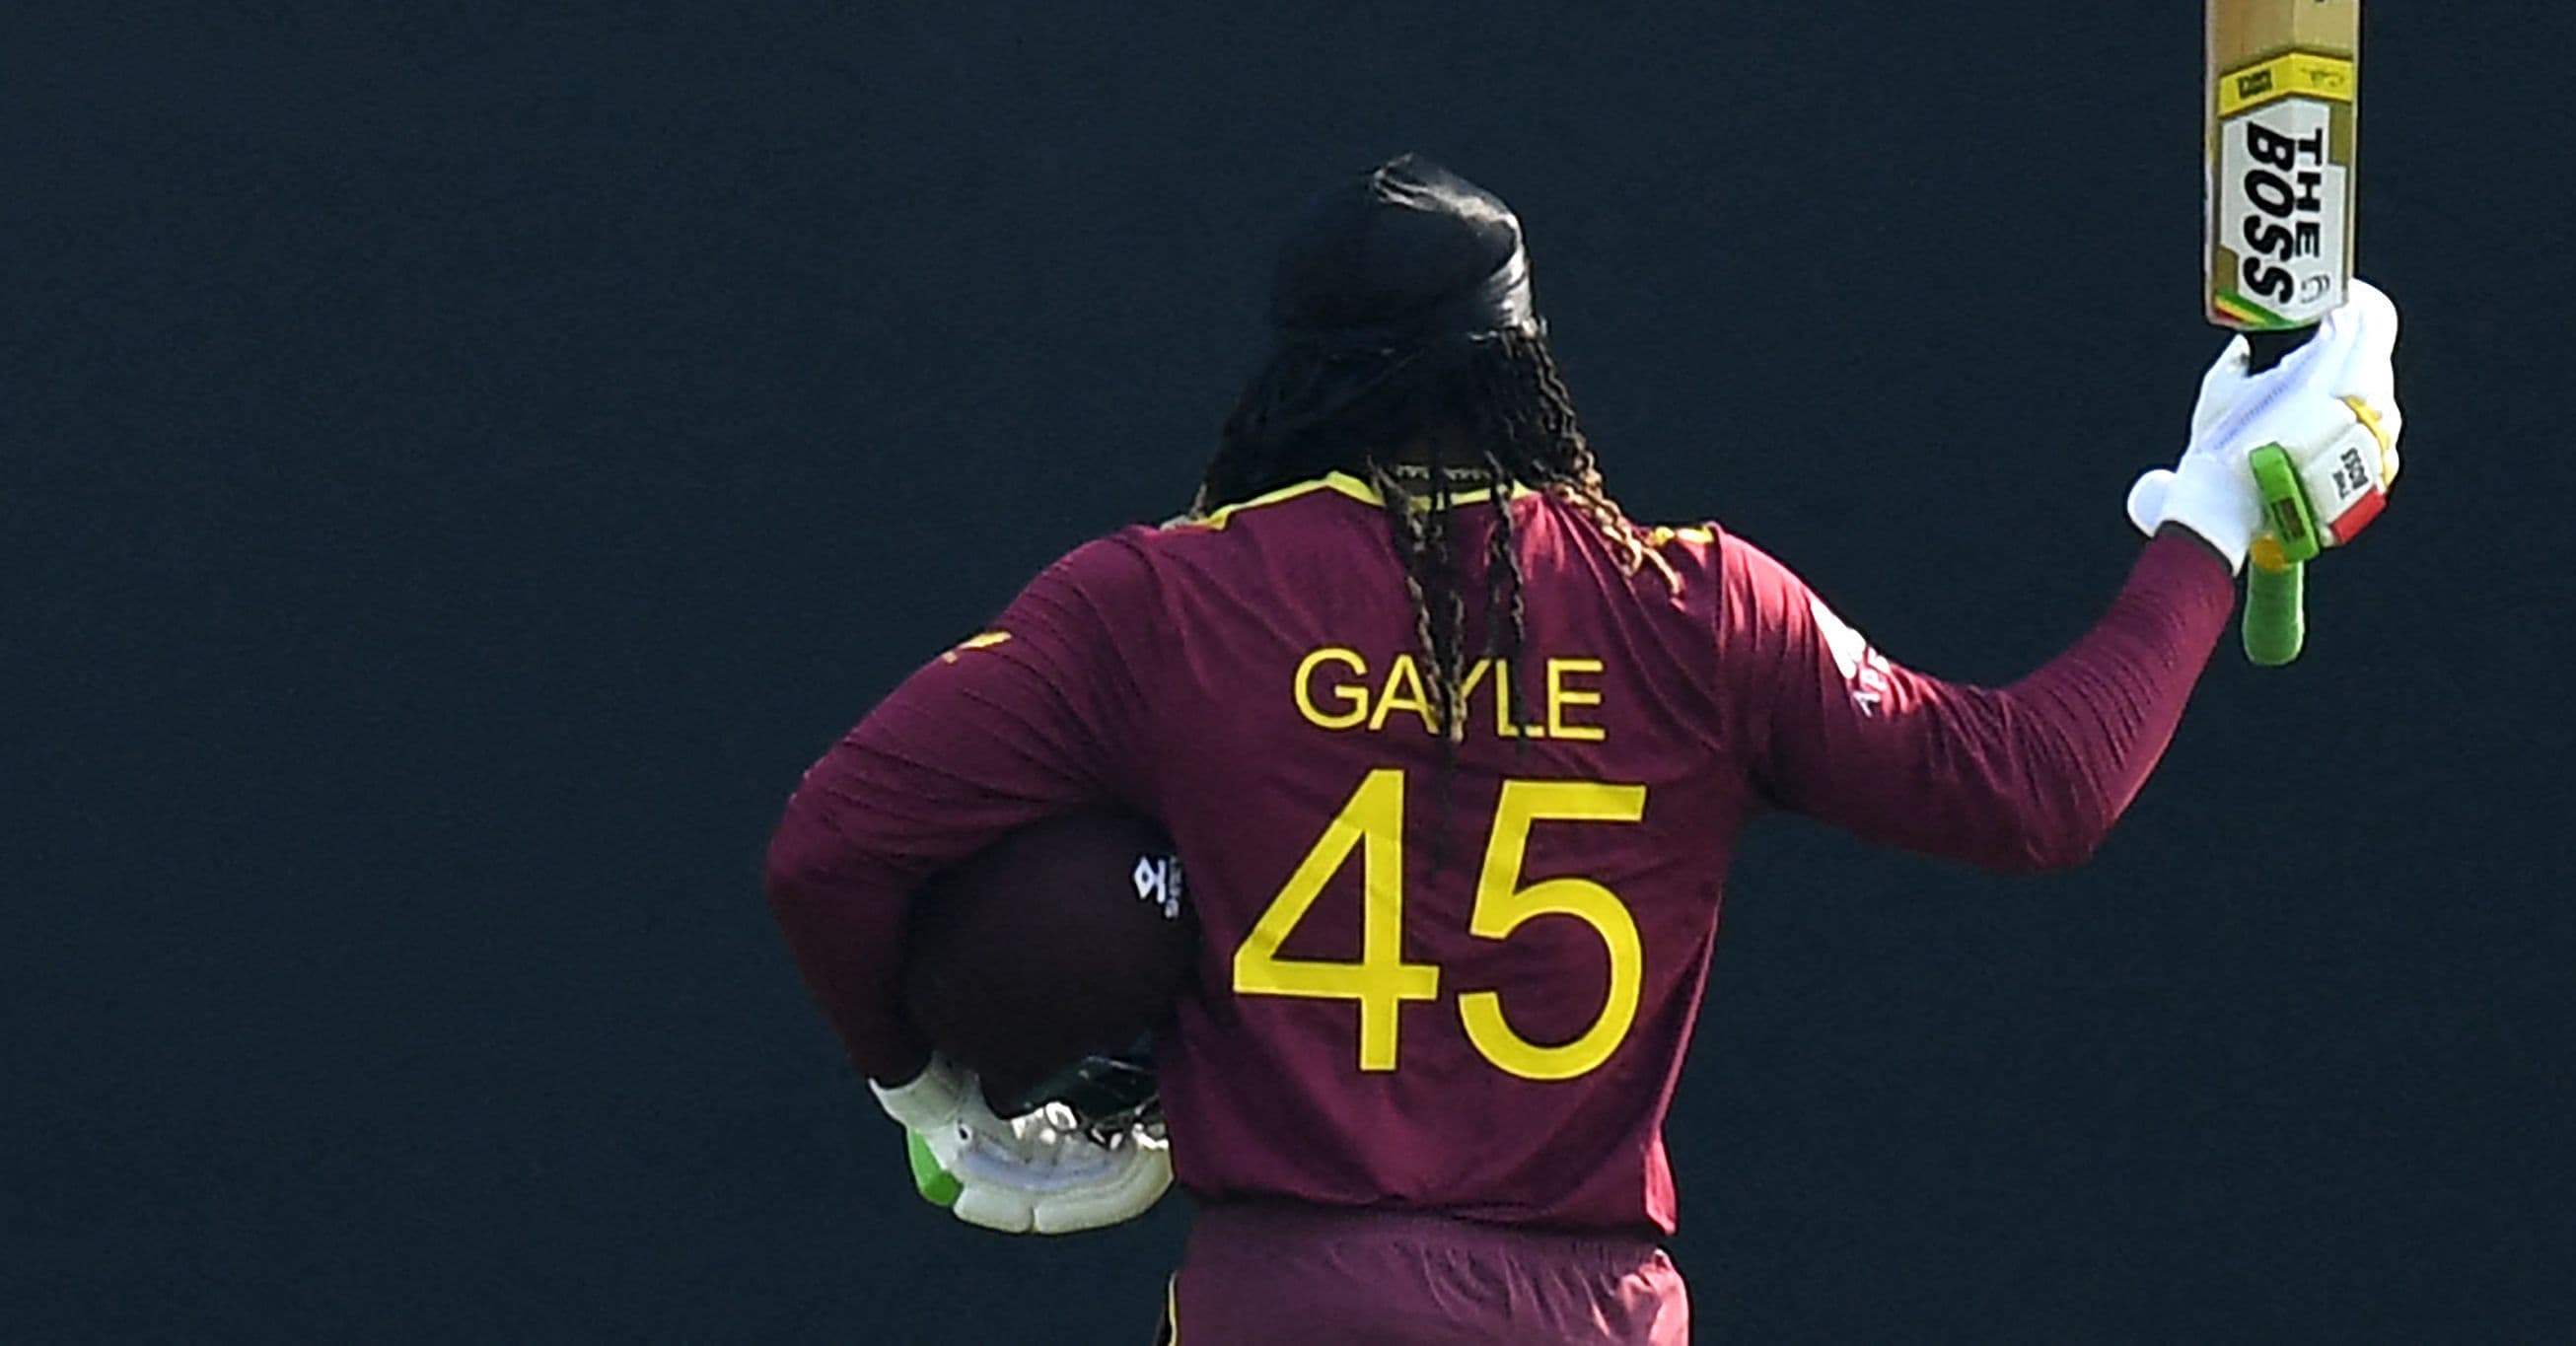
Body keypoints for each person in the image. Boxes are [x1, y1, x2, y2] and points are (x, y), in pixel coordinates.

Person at [765, 154, 2402, 1344]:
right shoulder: (1693, 607)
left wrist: (935, 1097)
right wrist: (2203, 523)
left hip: (1291, 1296)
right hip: (1586, 1312)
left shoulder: (1161, 602)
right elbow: (2046, 785)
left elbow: (827, 850)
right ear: (1529, 363)